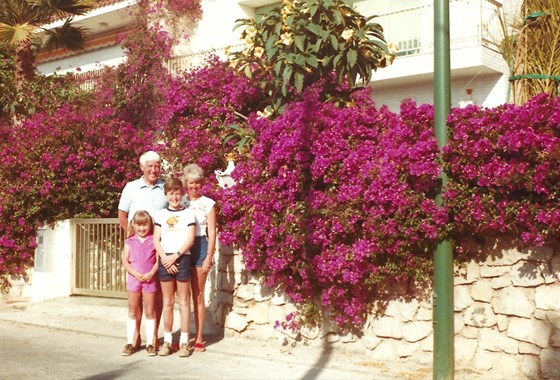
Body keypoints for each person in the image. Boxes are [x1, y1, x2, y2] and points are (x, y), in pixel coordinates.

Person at [117, 150, 167, 350]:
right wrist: (133, 237)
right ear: (142, 167)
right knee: (135, 298)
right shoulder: (131, 187)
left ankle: (152, 337)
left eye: (157, 166)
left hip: (160, 248)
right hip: (138, 249)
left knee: (156, 296)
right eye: (150, 166)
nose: (154, 170)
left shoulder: (165, 188)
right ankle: (134, 337)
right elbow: (122, 214)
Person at [153, 177, 196, 357]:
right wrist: (165, 259)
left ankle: (184, 343)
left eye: (178, 193)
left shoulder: (188, 214)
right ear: (166, 194)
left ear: (182, 193)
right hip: (165, 260)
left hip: (182, 258)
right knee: (168, 302)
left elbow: (190, 239)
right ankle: (168, 342)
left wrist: (175, 257)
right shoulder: (160, 215)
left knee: (184, 302)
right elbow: (156, 239)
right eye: (171, 193)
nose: (174, 196)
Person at [182, 163, 216, 352]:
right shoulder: (181, 201)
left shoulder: (208, 204)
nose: (193, 186)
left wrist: (209, 256)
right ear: (185, 183)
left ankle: (199, 336)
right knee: (183, 294)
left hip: (201, 245)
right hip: (183, 246)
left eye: (196, 182)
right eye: (190, 183)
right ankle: (185, 335)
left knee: (198, 293)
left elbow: (212, 231)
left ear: (201, 183)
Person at [121, 210, 159, 356]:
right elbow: (125, 260)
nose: (142, 228)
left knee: (150, 311)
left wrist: (151, 274)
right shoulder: (129, 241)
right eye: (139, 225)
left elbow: (158, 261)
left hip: (150, 280)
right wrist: (134, 273)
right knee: (132, 310)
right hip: (133, 280)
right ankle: (130, 342)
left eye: (145, 225)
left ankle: (150, 344)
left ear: (150, 225)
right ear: (134, 225)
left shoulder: (154, 240)